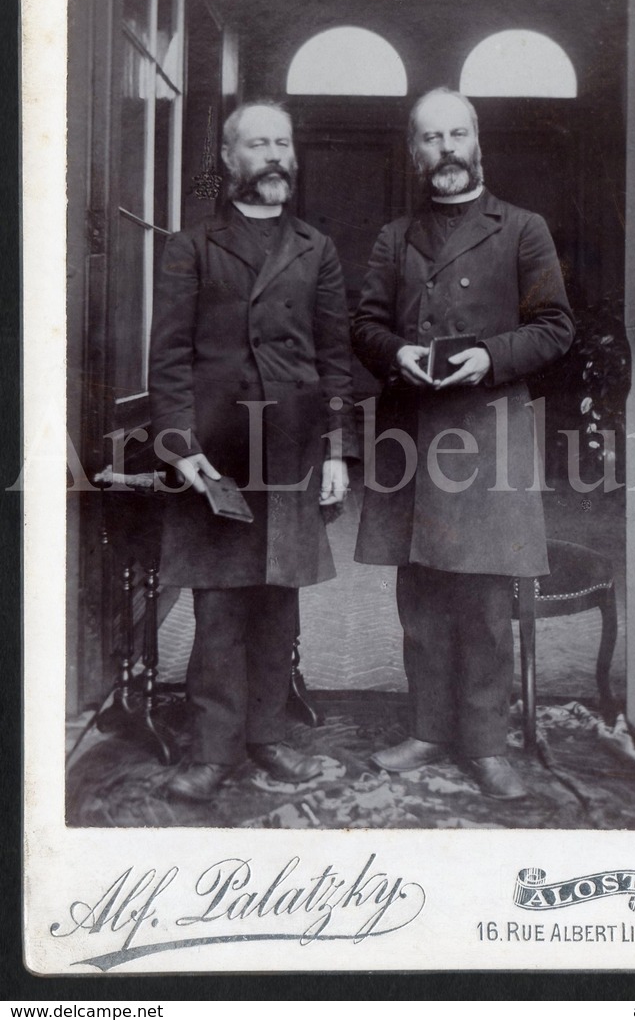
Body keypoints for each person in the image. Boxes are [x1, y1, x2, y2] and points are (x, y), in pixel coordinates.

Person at [351, 88, 574, 800]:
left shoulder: (522, 228)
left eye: (456, 134)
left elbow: (555, 327)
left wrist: (488, 356)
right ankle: (426, 729)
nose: (444, 149)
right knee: (418, 589)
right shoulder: (394, 237)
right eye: (429, 138)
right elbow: (363, 326)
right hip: (410, 432)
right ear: (413, 150)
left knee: (481, 596)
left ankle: (483, 742)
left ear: (477, 141)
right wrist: (395, 356)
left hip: (486, 430)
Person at [149, 100, 357, 801]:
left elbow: (335, 357)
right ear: (230, 159)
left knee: (277, 599)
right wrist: (180, 448)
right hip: (216, 452)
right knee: (218, 606)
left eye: (282, 143)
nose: (273, 155)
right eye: (257, 144)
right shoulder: (192, 246)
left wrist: (335, 449)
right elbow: (170, 356)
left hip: (294, 447)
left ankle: (266, 736)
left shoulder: (315, 247)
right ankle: (211, 750)